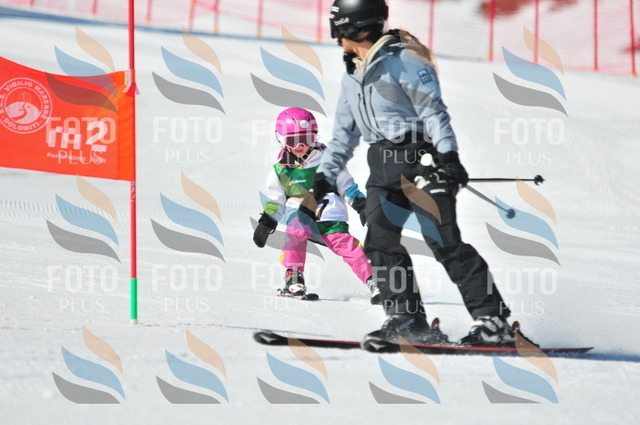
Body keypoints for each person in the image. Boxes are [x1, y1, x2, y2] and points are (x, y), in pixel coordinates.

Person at [311, 0, 522, 346]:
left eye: (337, 28)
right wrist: (323, 177)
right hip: (382, 166)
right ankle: (406, 319)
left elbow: (433, 112)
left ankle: (493, 321)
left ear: (353, 27)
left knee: (444, 242)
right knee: (379, 243)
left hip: (421, 161)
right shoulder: (352, 75)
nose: (335, 37)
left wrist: (448, 156)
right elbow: (343, 135)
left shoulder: (405, 60)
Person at [253, 107, 380, 304]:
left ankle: (375, 282)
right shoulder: (281, 170)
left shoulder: (328, 162)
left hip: (330, 217)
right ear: (281, 140)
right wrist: (267, 221)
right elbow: (276, 199)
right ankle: (294, 278)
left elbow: (347, 186)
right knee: (295, 232)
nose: (301, 146)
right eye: (293, 141)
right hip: (300, 216)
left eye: (307, 139)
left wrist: (361, 205)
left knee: (349, 246)